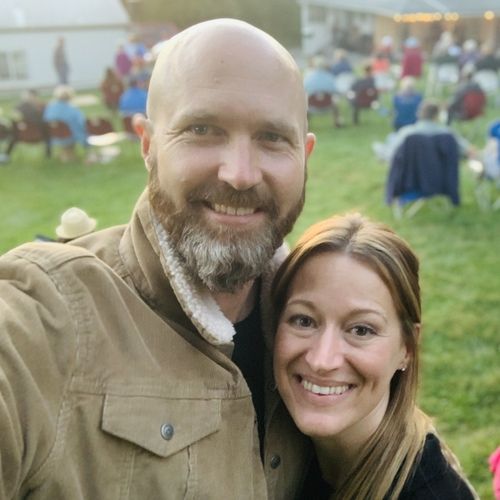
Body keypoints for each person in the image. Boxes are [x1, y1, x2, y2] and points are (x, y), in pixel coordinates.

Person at [0, 19, 316, 499]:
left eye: (272, 137)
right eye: (202, 129)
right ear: (147, 145)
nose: (240, 174)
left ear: (305, 155)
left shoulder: (326, 324)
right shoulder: (48, 315)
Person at [271, 213, 478, 499]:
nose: (322, 361)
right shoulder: (278, 449)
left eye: (361, 330)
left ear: (407, 348)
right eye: (304, 321)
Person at [372, 99, 474, 163]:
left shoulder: (407, 133)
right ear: (437, 116)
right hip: (441, 178)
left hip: (412, 178)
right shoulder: (448, 134)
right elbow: (469, 151)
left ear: (419, 114)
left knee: (389, 139)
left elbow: (392, 155)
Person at [2, 89, 51, 161]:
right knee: (47, 135)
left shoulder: (21, 106)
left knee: (14, 135)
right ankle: (48, 155)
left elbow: (15, 118)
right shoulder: (41, 106)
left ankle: (6, 155)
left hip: (24, 134)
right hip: (39, 134)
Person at [43, 85, 89, 162]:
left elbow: (46, 120)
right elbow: (81, 123)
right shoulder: (73, 109)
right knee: (78, 132)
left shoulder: (50, 108)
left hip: (54, 135)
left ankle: (66, 155)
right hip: (69, 135)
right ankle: (69, 156)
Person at [303, 55, 343, 128]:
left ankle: (306, 125)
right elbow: (336, 91)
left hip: (312, 105)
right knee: (335, 102)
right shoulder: (329, 77)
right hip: (328, 104)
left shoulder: (308, 77)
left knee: (306, 101)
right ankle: (337, 122)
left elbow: (303, 90)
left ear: (314, 65)